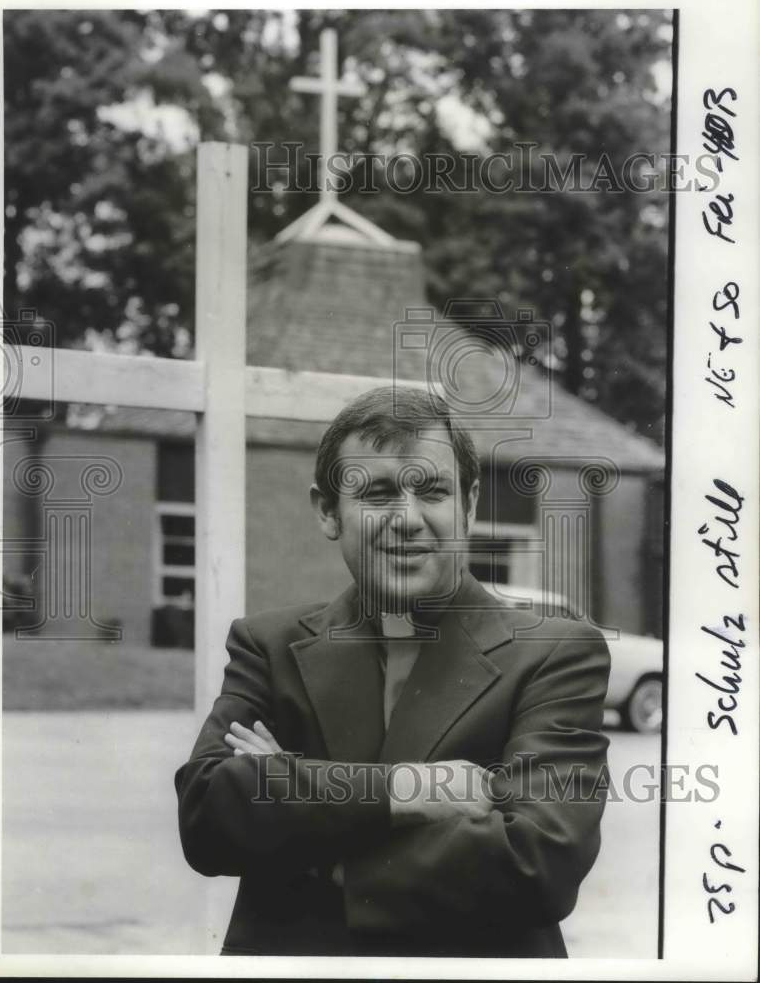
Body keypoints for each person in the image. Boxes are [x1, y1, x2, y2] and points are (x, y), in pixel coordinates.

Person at [175, 386, 611, 958]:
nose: (407, 519)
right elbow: (209, 818)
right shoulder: (269, 645)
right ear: (328, 512)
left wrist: (309, 829)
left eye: (432, 491)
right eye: (376, 493)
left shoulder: (554, 653)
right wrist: (411, 791)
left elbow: (539, 861)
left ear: (470, 504)